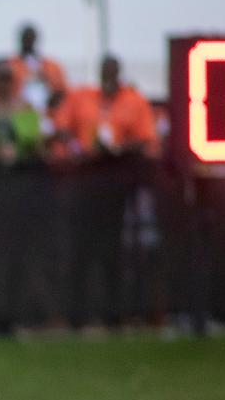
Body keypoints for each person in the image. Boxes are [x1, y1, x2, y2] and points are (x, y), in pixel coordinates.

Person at [52, 55, 158, 328]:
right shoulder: (82, 97)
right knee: (80, 250)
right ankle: (77, 315)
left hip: (115, 183)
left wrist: (118, 150)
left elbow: (144, 138)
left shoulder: (133, 100)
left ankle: (113, 314)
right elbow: (61, 128)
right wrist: (79, 147)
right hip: (85, 181)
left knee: (112, 251)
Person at [0, 24, 67, 113]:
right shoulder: (8, 64)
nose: (28, 41)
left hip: (45, 114)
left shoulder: (51, 66)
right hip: (14, 113)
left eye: (31, 38)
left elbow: (62, 93)